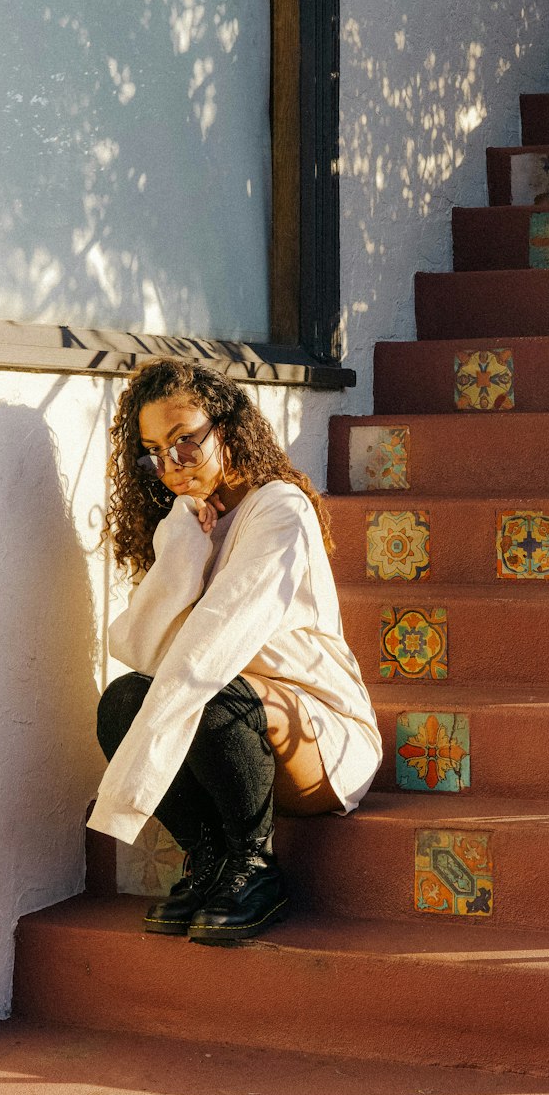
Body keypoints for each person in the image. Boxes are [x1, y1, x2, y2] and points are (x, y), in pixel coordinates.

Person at [88, 357, 381, 945]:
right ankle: (211, 860)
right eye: (153, 451)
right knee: (122, 700)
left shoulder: (279, 509)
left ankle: (254, 865)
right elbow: (144, 647)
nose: (171, 466)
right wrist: (177, 546)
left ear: (226, 425)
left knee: (210, 689)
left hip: (315, 730)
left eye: (185, 443)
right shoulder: (190, 521)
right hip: (223, 725)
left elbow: (216, 642)